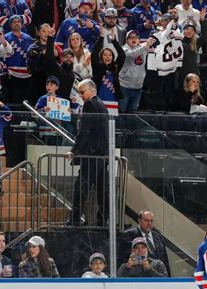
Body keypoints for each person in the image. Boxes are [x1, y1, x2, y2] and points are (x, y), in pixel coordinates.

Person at [67, 79, 109, 226]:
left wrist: (74, 150)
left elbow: (84, 131)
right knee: (102, 190)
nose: (81, 96)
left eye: (82, 92)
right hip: (102, 155)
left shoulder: (90, 104)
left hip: (91, 155)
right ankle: (102, 220)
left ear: (91, 90)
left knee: (81, 188)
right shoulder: (102, 104)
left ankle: (75, 220)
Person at [121, 210, 170, 275]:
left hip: (158, 278)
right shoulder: (128, 234)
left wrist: (169, 280)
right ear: (139, 221)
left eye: (151, 221)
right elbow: (121, 259)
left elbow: (165, 260)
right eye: (146, 220)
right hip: (136, 278)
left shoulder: (158, 236)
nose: (149, 224)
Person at [91, 25, 125, 114]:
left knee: (112, 124)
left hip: (113, 101)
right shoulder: (97, 67)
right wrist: (101, 37)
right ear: (101, 57)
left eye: (110, 55)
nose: (107, 57)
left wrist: (114, 41)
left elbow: (122, 56)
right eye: (105, 55)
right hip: (99, 101)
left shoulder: (115, 68)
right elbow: (94, 54)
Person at [118, 30, 154, 113]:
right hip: (124, 86)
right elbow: (132, 54)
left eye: (135, 37)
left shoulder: (143, 48)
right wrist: (145, 46)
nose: (133, 39)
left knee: (133, 112)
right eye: (130, 38)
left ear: (139, 40)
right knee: (122, 111)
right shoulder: (124, 48)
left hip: (138, 87)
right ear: (127, 40)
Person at [4, 15, 34, 105]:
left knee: (26, 99)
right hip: (12, 74)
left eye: (18, 21)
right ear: (10, 24)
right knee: (13, 99)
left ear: (21, 24)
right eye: (14, 21)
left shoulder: (28, 38)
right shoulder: (6, 37)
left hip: (27, 74)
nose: (16, 23)